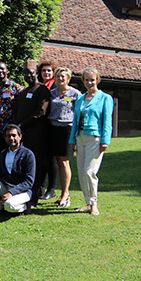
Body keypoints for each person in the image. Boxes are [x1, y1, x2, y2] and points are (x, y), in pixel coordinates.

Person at [69, 67, 113, 216]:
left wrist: (105, 141)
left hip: (95, 139)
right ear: (83, 81)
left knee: (90, 172)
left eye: (92, 79)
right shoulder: (80, 98)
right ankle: (87, 203)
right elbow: (75, 121)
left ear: (97, 80)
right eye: (86, 80)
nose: (89, 82)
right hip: (79, 137)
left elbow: (107, 121)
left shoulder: (105, 98)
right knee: (81, 173)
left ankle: (94, 204)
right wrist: (72, 139)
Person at [12, 65, 51, 206]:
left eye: (31, 73)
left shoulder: (42, 90)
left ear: (36, 74)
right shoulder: (24, 91)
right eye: (26, 74)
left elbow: (41, 111)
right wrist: (17, 125)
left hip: (36, 134)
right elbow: (16, 110)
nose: (28, 76)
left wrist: (23, 125)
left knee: (37, 164)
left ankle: (35, 195)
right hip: (23, 135)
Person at [0, 124, 36, 215]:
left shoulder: (28, 154)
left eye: (14, 135)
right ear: (5, 138)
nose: (11, 138)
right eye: (8, 136)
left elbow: (29, 181)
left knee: (9, 205)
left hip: (23, 191)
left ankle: (26, 206)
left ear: (20, 136)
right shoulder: (3, 154)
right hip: (7, 187)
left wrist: (11, 192)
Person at [48, 67, 81, 208]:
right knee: (57, 161)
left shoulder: (75, 94)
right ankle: (61, 193)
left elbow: (79, 114)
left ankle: (65, 194)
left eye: (63, 76)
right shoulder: (51, 93)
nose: (60, 79)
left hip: (67, 129)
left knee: (64, 162)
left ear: (68, 78)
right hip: (52, 129)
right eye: (58, 76)